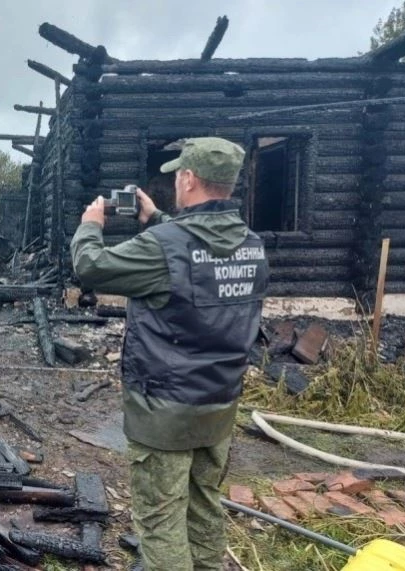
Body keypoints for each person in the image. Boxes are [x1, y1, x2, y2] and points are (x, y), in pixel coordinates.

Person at [70, 137, 270, 571]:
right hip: (219, 403)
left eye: (179, 173)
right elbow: (197, 255)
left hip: (164, 409)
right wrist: (156, 217)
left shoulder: (162, 245)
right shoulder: (252, 245)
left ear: (188, 178)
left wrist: (90, 225)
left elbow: (90, 267)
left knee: (159, 520)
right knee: (204, 505)